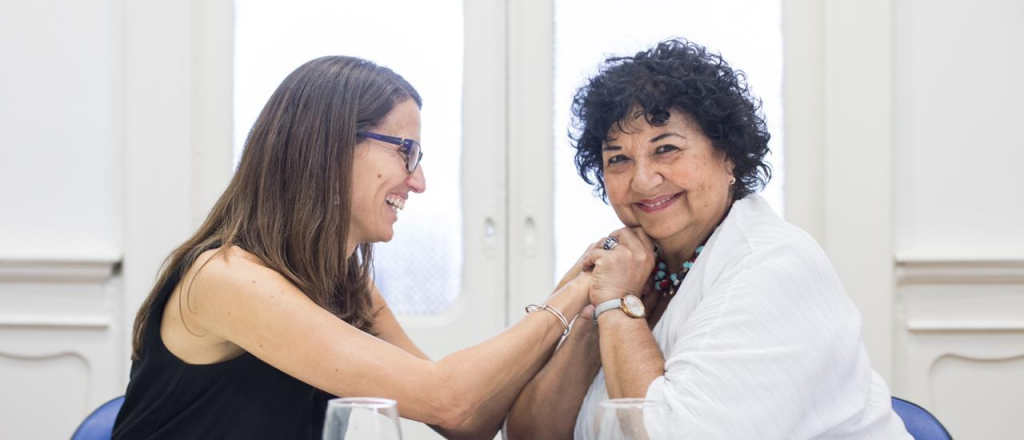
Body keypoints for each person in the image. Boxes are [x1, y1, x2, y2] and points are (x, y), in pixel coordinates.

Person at [112, 56, 593, 440]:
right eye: (406, 151)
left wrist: (583, 289)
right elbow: (449, 398)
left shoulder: (345, 282)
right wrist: (574, 294)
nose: (418, 181)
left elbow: (466, 424)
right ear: (329, 147)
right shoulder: (226, 279)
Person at [507, 39, 912, 439]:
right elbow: (529, 435)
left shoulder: (775, 267)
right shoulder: (641, 268)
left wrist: (616, 305)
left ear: (728, 154)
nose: (643, 180)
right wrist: (592, 319)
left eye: (666, 149)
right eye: (618, 159)